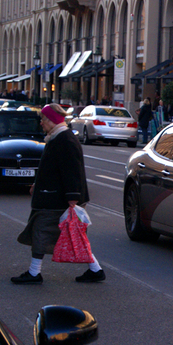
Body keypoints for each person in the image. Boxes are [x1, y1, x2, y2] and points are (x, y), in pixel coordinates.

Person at [12, 104, 105, 284]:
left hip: (57, 199)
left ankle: (33, 273)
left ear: (52, 120)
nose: (41, 123)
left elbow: (72, 170)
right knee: (73, 235)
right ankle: (95, 270)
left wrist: (73, 197)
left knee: (41, 231)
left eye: (44, 119)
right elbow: (51, 169)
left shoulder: (64, 140)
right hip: (55, 196)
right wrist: (36, 184)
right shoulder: (57, 137)